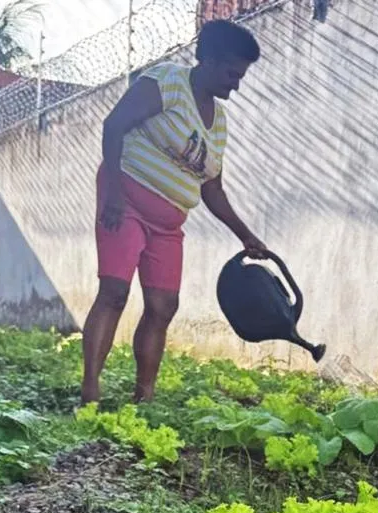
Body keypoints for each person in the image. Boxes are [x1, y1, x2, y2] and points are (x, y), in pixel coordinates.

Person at [80, 19, 268, 405]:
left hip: (168, 225)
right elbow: (113, 126)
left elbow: (211, 186)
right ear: (210, 61)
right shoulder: (166, 82)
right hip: (126, 201)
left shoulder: (219, 122)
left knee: (163, 306)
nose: (236, 83)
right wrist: (113, 193)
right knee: (115, 292)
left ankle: (144, 399)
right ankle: (90, 394)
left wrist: (245, 235)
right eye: (233, 73)